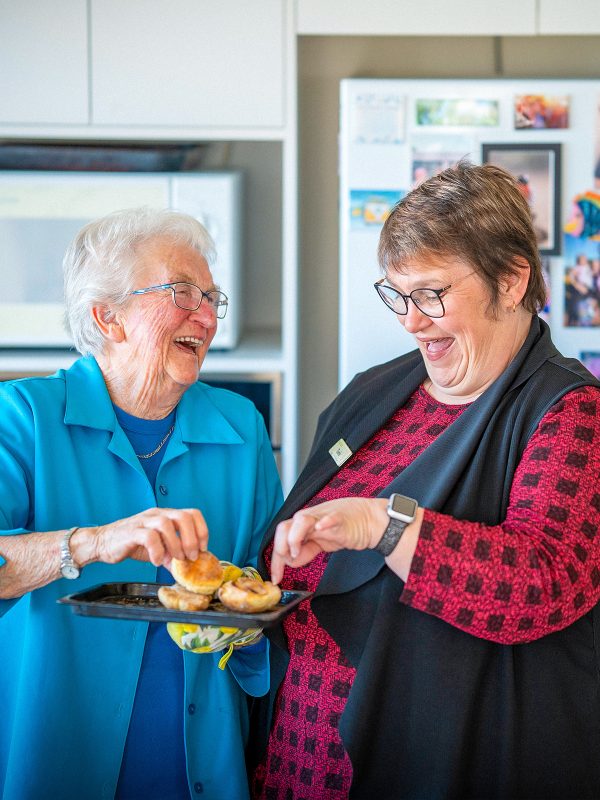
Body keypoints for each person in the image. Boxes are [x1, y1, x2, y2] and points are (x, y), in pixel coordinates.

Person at [250, 162, 600, 800]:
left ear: (512, 279)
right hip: (302, 759)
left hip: (445, 767)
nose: (411, 321)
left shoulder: (570, 412)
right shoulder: (373, 391)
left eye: (432, 294)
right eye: (396, 294)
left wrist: (386, 524)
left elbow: (545, 582)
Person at [0, 207, 283, 800]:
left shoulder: (239, 427)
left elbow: (265, 586)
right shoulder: (23, 418)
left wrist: (254, 622)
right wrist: (94, 542)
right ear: (109, 317)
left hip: (203, 767)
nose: (204, 316)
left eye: (211, 297)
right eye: (181, 293)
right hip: (56, 758)